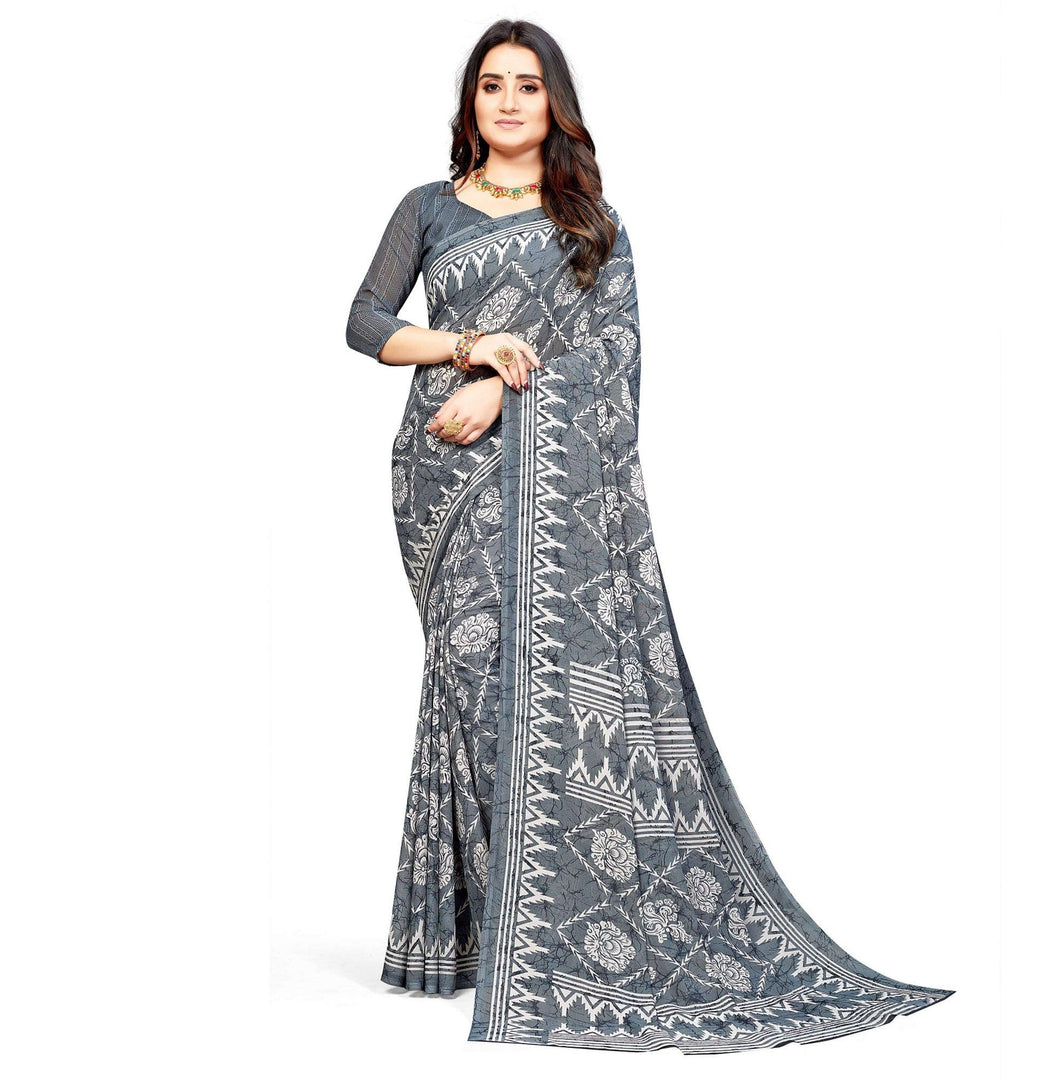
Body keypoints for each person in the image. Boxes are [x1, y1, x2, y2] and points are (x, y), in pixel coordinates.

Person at [345, 18, 954, 1055]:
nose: (507, 102)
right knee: (470, 683)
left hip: (536, 472)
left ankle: (541, 939)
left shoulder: (593, 225)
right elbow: (364, 322)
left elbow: (615, 364)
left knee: (518, 691)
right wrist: (466, 347)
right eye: (491, 85)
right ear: (470, 104)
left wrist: (504, 386)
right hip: (439, 478)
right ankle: (480, 934)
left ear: (556, 104)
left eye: (527, 85)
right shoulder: (427, 209)